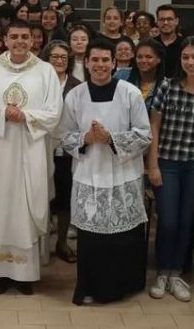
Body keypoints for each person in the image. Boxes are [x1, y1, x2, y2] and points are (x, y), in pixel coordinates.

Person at [0, 20, 63, 295]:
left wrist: (25, 116)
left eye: (25, 36)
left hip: (31, 151)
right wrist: (3, 113)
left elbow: (54, 113)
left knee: (26, 206)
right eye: (14, 37)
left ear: (33, 40)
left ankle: (25, 275)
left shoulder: (45, 71)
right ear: (5, 40)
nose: (20, 41)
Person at [60, 38, 151, 305]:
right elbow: (63, 136)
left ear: (114, 63)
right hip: (89, 174)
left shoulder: (130, 93)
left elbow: (144, 135)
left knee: (123, 238)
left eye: (105, 60)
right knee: (91, 240)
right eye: (95, 60)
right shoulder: (75, 96)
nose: (100, 65)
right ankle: (89, 287)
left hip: (122, 174)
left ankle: (121, 287)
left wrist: (111, 138)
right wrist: (86, 139)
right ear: (86, 62)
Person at [147, 37, 194, 302]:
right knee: (167, 221)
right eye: (186, 57)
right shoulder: (167, 86)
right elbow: (154, 127)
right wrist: (153, 164)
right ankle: (162, 272)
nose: (191, 62)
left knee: (186, 221)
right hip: (167, 163)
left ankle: (176, 273)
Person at [40, 40, 81, 264]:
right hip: (40, 148)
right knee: (41, 197)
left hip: (66, 151)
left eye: (63, 57)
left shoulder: (77, 86)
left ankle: (62, 242)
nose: (59, 61)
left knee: (64, 198)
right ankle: (40, 245)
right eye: (54, 57)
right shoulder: (37, 83)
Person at [126, 39, 165, 109]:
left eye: (149, 57)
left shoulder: (166, 85)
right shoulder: (123, 76)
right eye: (139, 57)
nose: (143, 60)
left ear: (159, 59)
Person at [155, 5, 182, 76]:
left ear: (176, 21)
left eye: (169, 19)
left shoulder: (185, 45)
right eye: (162, 19)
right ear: (157, 22)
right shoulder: (151, 45)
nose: (165, 22)